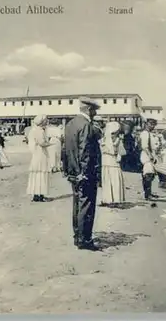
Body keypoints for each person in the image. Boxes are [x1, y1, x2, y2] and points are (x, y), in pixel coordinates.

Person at [62, 97, 102, 251]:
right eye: (93, 110)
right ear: (88, 110)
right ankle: (85, 240)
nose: (95, 113)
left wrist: (68, 170)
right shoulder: (86, 125)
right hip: (85, 173)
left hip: (73, 171)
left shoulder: (71, 124)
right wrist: (83, 173)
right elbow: (85, 151)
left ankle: (77, 236)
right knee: (87, 205)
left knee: (77, 204)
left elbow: (66, 150)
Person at [26, 115, 52, 202]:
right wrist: (50, 143)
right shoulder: (39, 131)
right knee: (41, 173)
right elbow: (42, 143)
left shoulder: (33, 130)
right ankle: (40, 195)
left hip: (36, 154)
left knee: (37, 175)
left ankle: (36, 195)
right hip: (41, 153)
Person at [100, 121, 126, 206]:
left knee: (108, 180)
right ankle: (115, 198)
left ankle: (108, 199)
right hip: (112, 161)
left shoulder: (103, 140)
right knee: (114, 180)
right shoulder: (117, 140)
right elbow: (121, 152)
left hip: (106, 161)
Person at [139, 118, 159, 200]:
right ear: (147, 124)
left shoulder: (149, 133)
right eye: (151, 124)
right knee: (148, 174)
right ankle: (147, 194)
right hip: (146, 156)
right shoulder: (145, 133)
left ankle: (149, 193)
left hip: (150, 155)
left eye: (154, 124)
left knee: (151, 175)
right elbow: (145, 146)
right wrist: (150, 156)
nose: (153, 126)